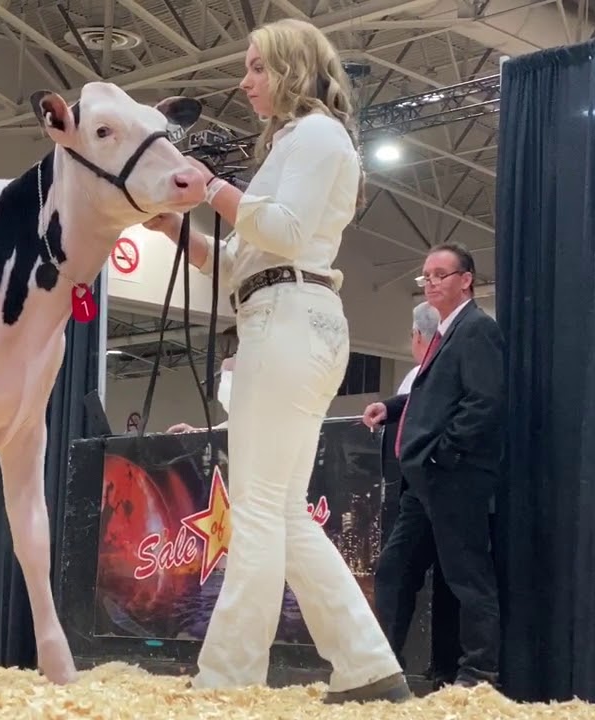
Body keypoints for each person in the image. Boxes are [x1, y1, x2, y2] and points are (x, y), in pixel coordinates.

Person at [143, 17, 410, 703]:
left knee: (259, 509)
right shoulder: (300, 142)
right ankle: (367, 665)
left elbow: (285, 232)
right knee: (283, 511)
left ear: (291, 68)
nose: (246, 80)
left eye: (258, 67)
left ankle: (228, 679)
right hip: (287, 314)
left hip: (289, 320)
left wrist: (212, 189)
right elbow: (239, 260)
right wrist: (178, 228)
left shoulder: (317, 136)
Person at [364, 243, 504, 688]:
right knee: (394, 568)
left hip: (452, 476)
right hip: (422, 481)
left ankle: (479, 673)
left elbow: (484, 402)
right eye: (426, 276)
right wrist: (391, 406)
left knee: (466, 577)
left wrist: (444, 453)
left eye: (440, 274)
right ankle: (379, 667)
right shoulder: (445, 335)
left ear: (467, 279)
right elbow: (435, 396)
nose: (431, 282)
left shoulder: (478, 329)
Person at [376, 301, 464, 688]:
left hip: (432, 483)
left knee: (404, 571)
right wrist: (389, 407)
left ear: (418, 336)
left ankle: (395, 664)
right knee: (442, 578)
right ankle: (440, 667)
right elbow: (416, 401)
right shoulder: (423, 372)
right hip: (430, 486)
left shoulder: (441, 367)